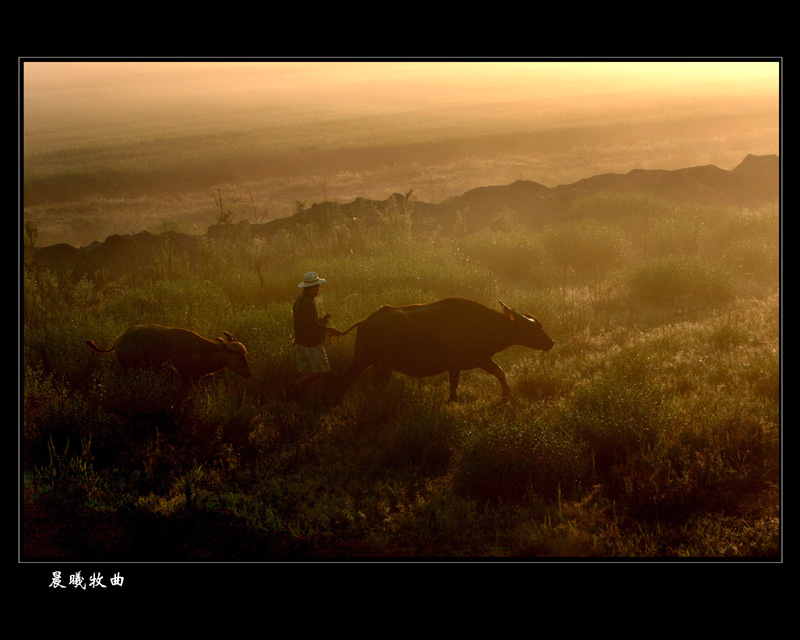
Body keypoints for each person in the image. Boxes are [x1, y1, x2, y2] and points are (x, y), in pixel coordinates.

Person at [292, 272, 343, 392]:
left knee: (307, 373)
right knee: (321, 370)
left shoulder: (300, 300)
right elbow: (312, 325)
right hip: (311, 344)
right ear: (311, 287)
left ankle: (307, 400)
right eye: (317, 287)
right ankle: (296, 383)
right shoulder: (307, 303)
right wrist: (330, 329)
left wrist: (323, 320)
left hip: (300, 342)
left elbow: (307, 322)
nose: (319, 289)